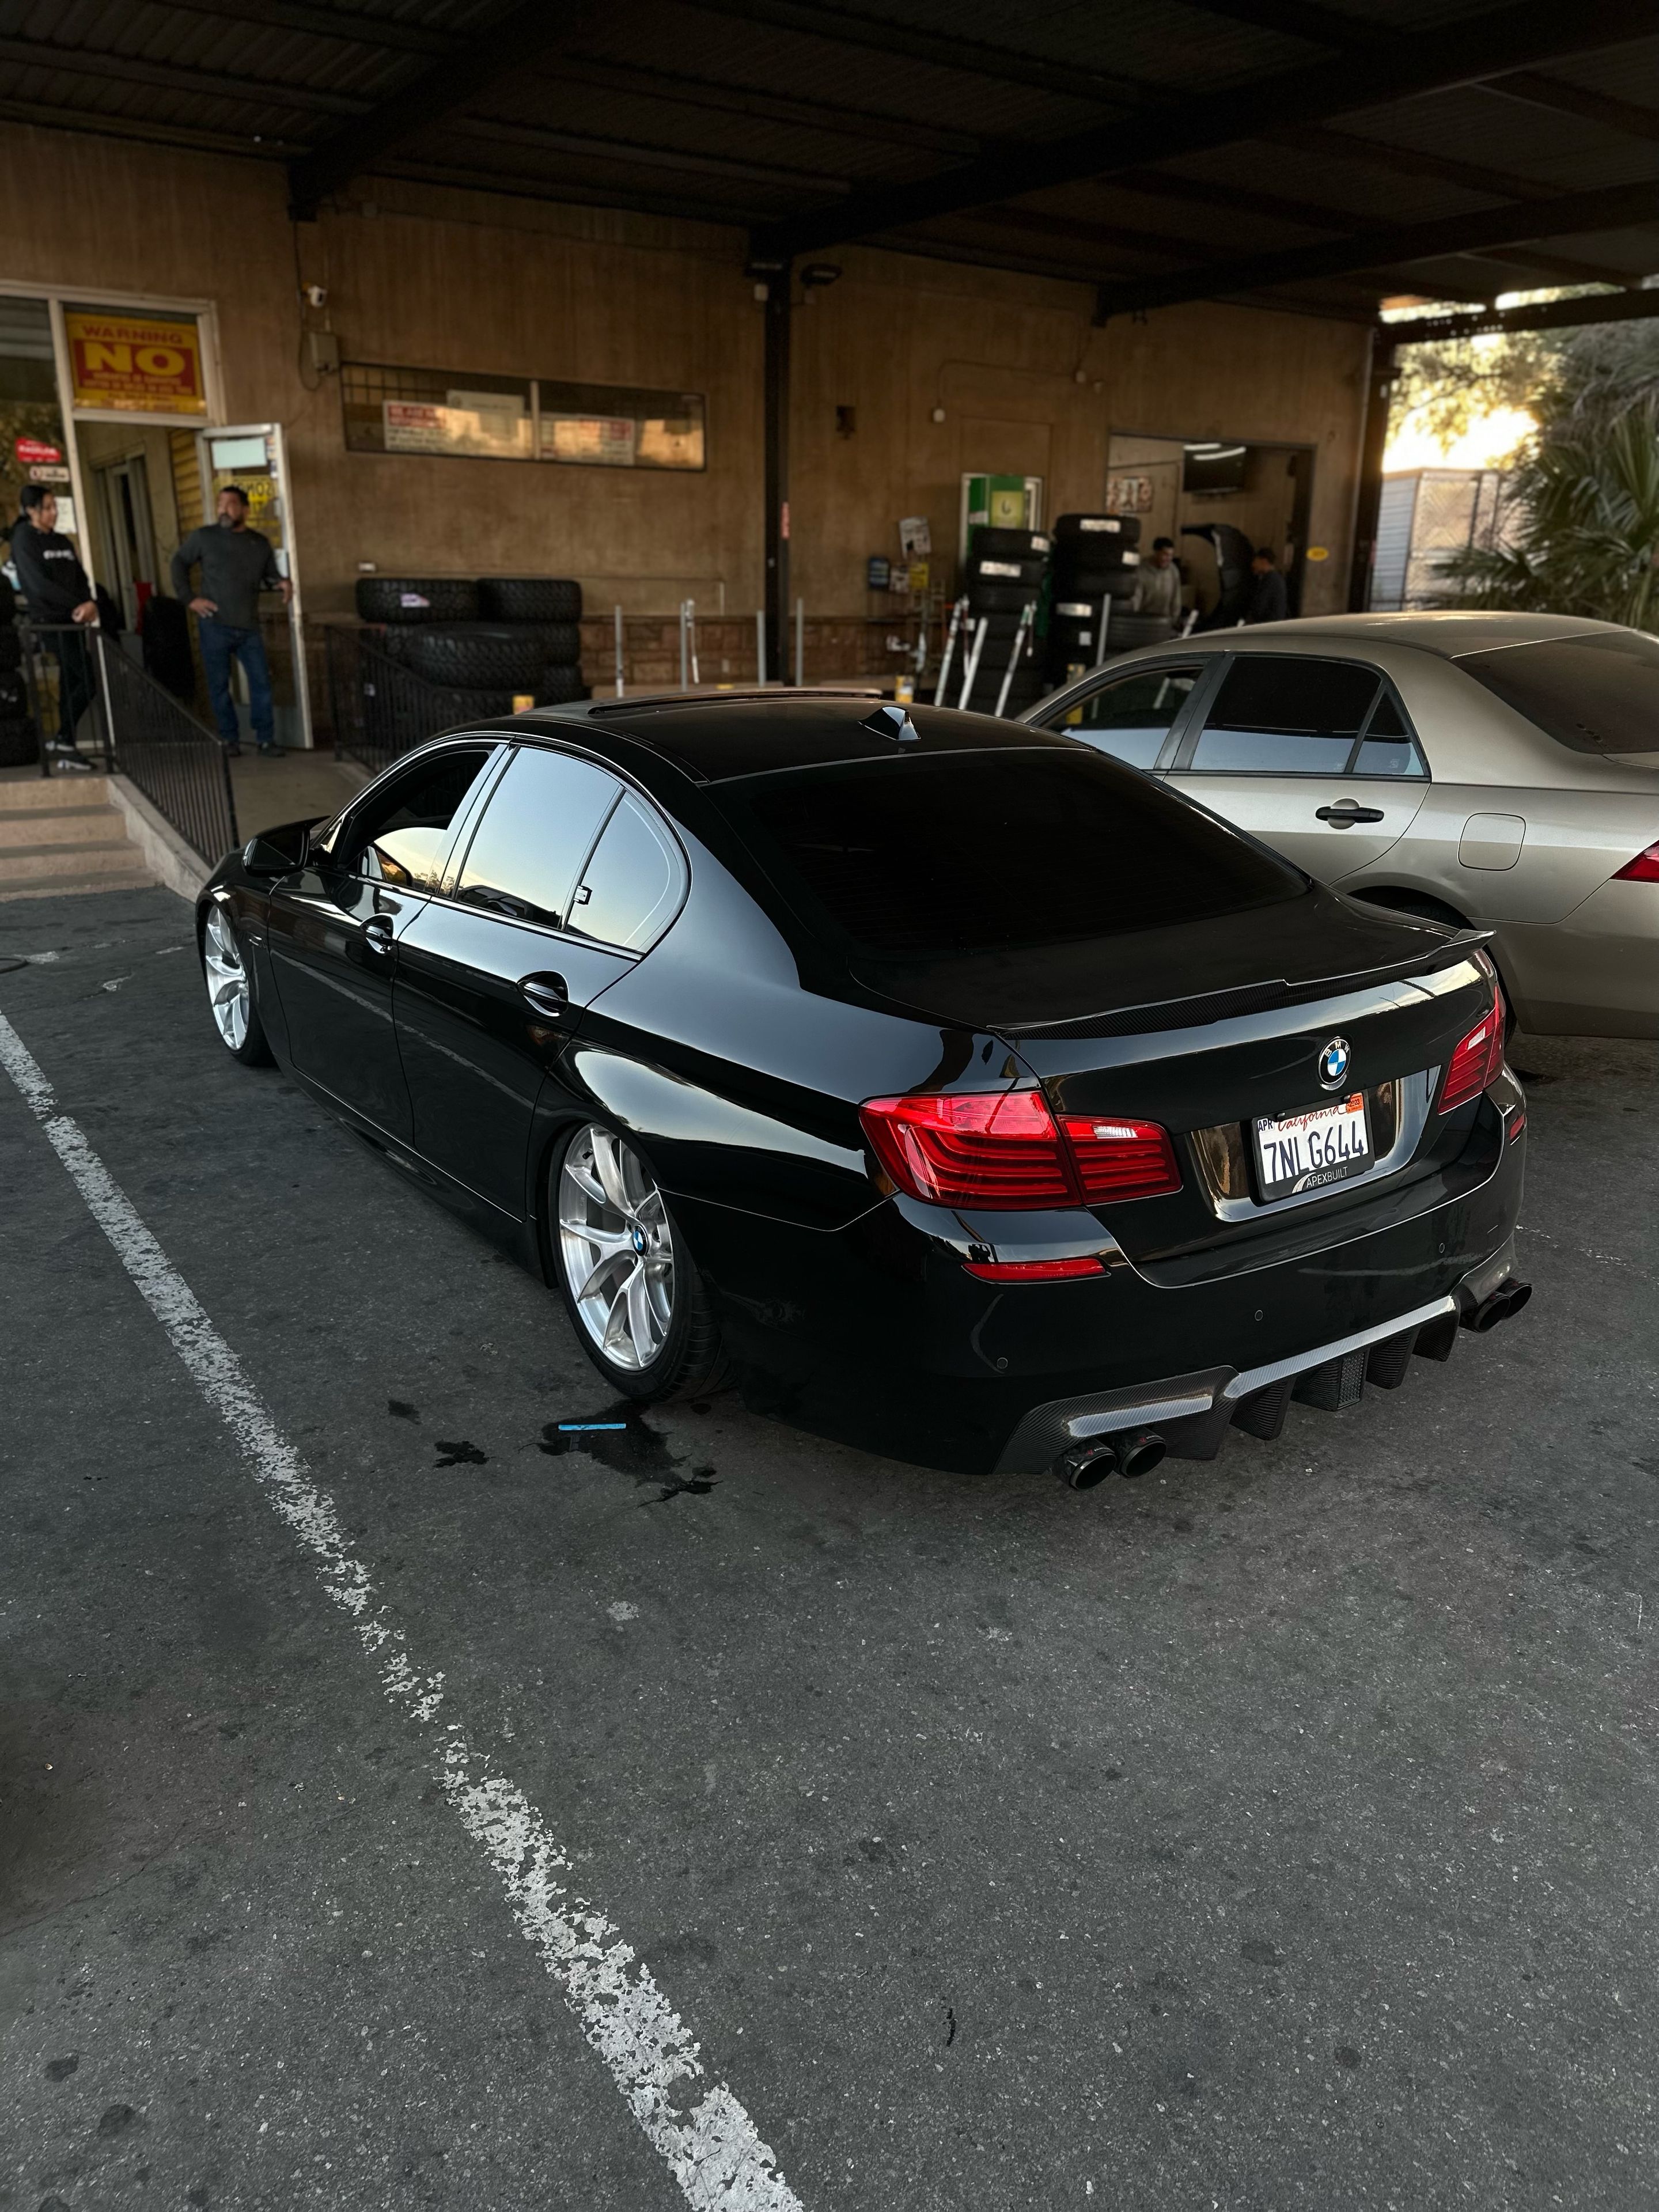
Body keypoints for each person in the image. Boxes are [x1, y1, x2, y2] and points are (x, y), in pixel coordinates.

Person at [171, 485, 290, 756]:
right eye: (221, 504)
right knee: (219, 686)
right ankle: (229, 740)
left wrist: (283, 583)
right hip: (215, 624)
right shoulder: (205, 537)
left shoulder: (258, 543)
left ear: (245, 510)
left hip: (248, 626)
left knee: (261, 683)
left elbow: (270, 574)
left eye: (231, 504)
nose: (224, 509)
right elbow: (178, 562)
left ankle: (265, 740)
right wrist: (190, 599)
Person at [9, 484, 99, 763]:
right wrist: (76, 605)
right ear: (31, 511)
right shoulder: (24, 540)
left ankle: (66, 744)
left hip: (74, 621)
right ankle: (63, 737)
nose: (53, 513)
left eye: (54, 507)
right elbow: (38, 586)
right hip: (50, 622)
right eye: (46, 508)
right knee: (88, 679)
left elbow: (80, 577)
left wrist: (89, 603)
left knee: (72, 681)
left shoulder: (62, 542)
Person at [1130, 535, 1182, 623]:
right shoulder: (1141, 571)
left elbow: (1176, 598)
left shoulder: (1173, 571)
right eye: (1165, 555)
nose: (1168, 559)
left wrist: (1174, 619)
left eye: (1171, 555)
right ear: (1156, 553)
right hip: (1144, 620)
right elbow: (1136, 598)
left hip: (1165, 621)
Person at [1245, 545, 1289, 626]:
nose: (1253, 565)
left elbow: (1259, 608)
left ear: (1264, 561)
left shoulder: (1270, 579)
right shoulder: (1277, 578)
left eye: (1255, 561)